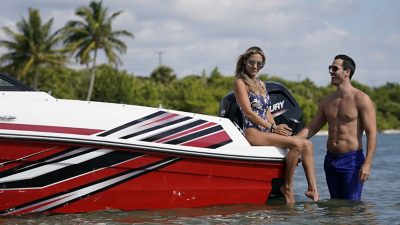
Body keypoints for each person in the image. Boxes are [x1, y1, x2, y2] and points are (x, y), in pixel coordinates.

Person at [233, 46, 318, 203]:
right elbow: (249, 113)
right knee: (297, 144)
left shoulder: (262, 84)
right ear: (245, 61)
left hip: (266, 130)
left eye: (260, 64)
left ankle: (313, 190)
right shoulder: (240, 83)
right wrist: (272, 128)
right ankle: (287, 187)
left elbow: (267, 112)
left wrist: (278, 129)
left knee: (308, 145)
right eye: (252, 62)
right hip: (253, 131)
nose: (255, 66)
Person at [296, 54, 377, 200]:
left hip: (352, 161)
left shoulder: (361, 98)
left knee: (350, 206)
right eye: (330, 68)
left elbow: (372, 133)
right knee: (336, 206)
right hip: (330, 161)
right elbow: (312, 127)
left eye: (334, 68)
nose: (330, 71)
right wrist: (291, 142)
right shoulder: (326, 101)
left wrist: (368, 164)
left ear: (347, 72)